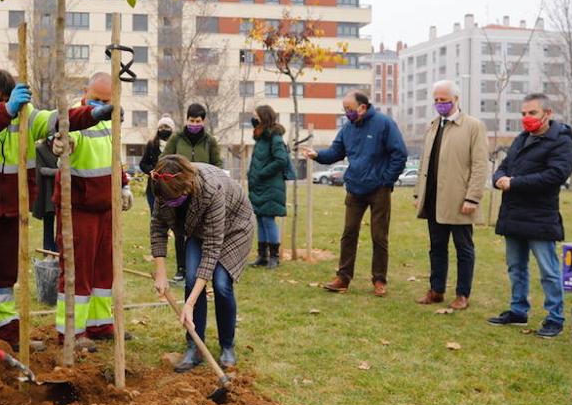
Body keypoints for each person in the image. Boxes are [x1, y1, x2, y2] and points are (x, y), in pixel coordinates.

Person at [0, 69, 110, 367]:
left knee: (5, 279)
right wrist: (5, 111)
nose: (3, 104)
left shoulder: (26, 115)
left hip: (10, 213)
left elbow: (60, 119)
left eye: (7, 100)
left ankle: (9, 332)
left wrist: (95, 114)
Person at [149, 155, 253, 371]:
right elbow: (158, 228)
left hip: (235, 228)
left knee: (222, 284)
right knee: (190, 280)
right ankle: (195, 346)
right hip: (198, 230)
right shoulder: (162, 186)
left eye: (174, 199)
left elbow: (212, 249)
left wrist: (188, 304)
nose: (169, 203)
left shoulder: (210, 189)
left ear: (187, 187)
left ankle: (227, 346)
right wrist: (160, 271)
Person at [486, 93, 572, 338]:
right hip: (513, 214)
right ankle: (518, 310)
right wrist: (499, 178)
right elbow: (504, 166)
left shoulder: (561, 141)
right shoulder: (521, 138)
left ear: (548, 113)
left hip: (540, 216)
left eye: (532, 113)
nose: (526, 118)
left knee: (548, 270)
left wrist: (514, 183)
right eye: (523, 114)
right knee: (516, 267)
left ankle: (555, 318)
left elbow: (555, 175)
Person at [301, 91, 407, 296]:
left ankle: (379, 280)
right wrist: (317, 155)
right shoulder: (347, 129)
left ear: (363, 107)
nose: (346, 113)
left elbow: (399, 154)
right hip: (355, 188)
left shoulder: (384, 124)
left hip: (379, 190)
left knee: (379, 236)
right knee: (349, 233)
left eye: (349, 109)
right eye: (344, 109)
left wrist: (386, 180)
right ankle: (343, 277)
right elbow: (335, 152)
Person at [53, 73, 131, 344]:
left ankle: (100, 325)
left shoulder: (112, 123)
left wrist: (123, 185)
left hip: (105, 208)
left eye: (106, 101)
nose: (100, 106)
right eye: (95, 99)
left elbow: (114, 158)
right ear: (85, 93)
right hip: (78, 208)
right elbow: (64, 140)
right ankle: (71, 331)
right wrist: (61, 144)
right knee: (78, 271)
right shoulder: (75, 120)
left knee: (103, 270)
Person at [414, 81, 488, 310]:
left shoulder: (473, 126)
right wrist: (419, 193)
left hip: (459, 201)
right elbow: (424, 163)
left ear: (456, 99)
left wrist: (472, 198)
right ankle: (436, 290)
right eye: (436, 100)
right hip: (434, 199)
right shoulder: (433, 126)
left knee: (463, 249)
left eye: (444, 100)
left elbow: (479, 165)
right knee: (436, 247)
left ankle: (462, 294)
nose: (439, 104)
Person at [163, 104, 224, 282]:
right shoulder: (176, 139)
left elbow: (217, 164)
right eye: (191, 120)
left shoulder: (209, 141)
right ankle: (182, 268)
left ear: (203, 121)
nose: (194, 124)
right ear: (186, 119)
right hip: (180, 192)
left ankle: (204, 269)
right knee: (180, 231)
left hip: (203, 193)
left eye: (198, 121)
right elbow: (165, 159)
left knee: (203, 231)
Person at [246, 104, 291, 269]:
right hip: (259, 186)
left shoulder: (275, 137)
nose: (253, 119)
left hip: (271, 186)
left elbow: (281, 160)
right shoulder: (261, 138)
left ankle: (274, 257)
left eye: (255, 116)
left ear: (263, 118)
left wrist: (262, 173)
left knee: (268, 219)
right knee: (260, 219)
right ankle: (262, 256)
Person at [139, 116, 175, 212]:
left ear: (172, 129)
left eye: (166, 127)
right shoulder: (151, 144)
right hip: (153, 188)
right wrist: (151, 170)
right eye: (161, 127)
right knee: (155, 216)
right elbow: (143, 163)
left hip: (171, 188)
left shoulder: (176, 145)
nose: (163, 130)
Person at [32, 135, 59, 254]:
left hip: (61, 188)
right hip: (48, 190)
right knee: (48, 221)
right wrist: (60, 172)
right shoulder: (40, 149)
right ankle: (48, 249)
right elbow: (40, 170)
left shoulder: (63, 146)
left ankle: (58, 249)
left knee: (62, 223)